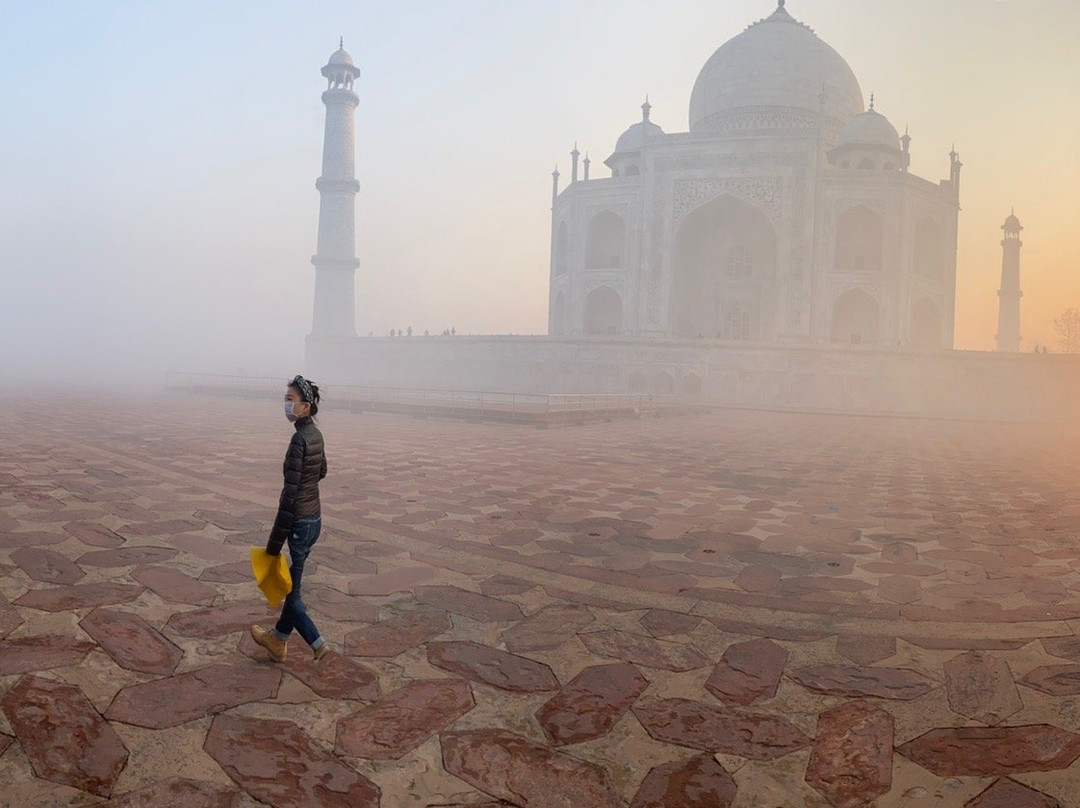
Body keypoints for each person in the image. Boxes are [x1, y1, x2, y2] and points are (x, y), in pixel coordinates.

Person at [251, 375, 329, 662]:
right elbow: (321, 472)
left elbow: (289, 495)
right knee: (293, 581)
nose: (286, 405)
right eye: (285, 399)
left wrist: (274, 542)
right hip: (314, 520)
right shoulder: (316, 435)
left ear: (305, 407)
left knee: (292, 594)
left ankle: (317, 642)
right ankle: (277, 639)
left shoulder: (299, 439)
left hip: (298, 521)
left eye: (290, 400)